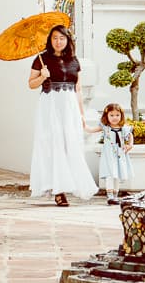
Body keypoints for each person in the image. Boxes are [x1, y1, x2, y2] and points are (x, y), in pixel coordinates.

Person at [27, 25, 99, 206]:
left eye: (62, 38)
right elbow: (31, 84)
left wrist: (82, 114)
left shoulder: (74, 61)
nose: (58, 41)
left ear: (67, 40)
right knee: (53, 145)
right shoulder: (41, 59)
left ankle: (70, 184)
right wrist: (42, 77)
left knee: (70, 144)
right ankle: (58, 190)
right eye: (55, 38)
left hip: (70, 107)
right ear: (50, 40)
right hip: (50, 106)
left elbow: (78, 89)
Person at [85, 103, 133, 205]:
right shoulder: (105, 127)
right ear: (106, 116)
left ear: (121, 115)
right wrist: (83, 124)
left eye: (117, 115)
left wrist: (130, 145)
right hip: (109, 155)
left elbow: (130, 136)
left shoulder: (123, 128)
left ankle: (115, 196)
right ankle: (110, 196)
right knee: (110, 174)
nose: (114, 118)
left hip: (119, 155)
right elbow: (91, 130)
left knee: (117, 175)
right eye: (111, 115)